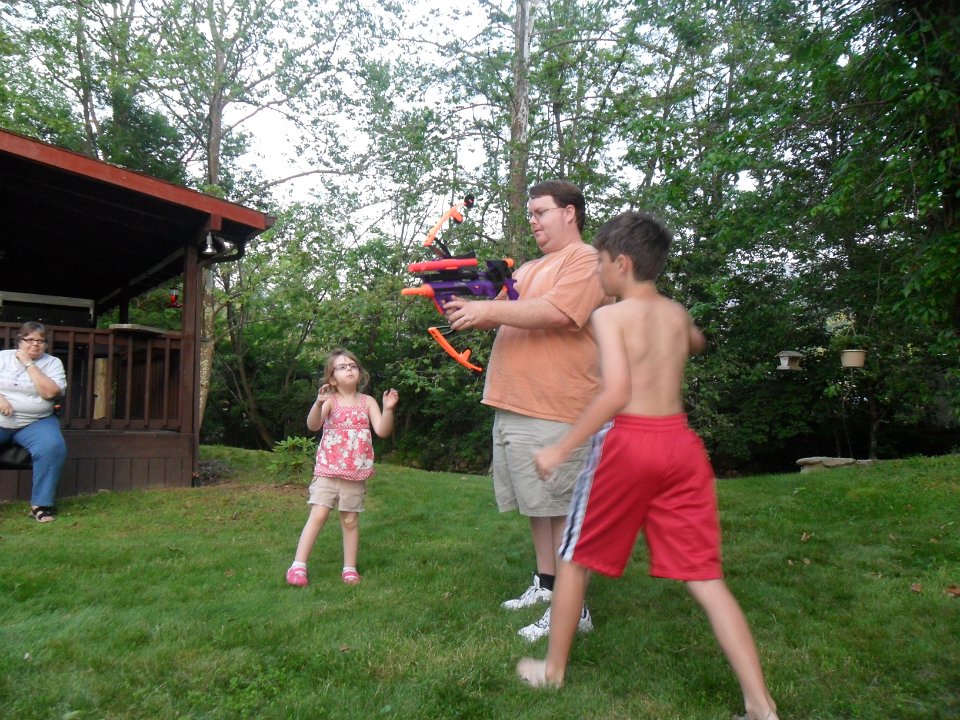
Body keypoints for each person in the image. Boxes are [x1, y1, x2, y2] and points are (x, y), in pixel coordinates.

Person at [515, 211, 779, 720]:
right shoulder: (675, 313)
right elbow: (696, 340)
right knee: (705, 576)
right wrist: (680, 339)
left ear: (623, 263)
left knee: (574, 558)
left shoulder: (610, 318)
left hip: (629, 446)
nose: (596, 271)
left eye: (599, 262)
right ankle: (760, 705)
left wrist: (561, 447)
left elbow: (617, 393)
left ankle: (552, 671)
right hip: (681, 447)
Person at [444, 180, 611, 640]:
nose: (533, 221)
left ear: (570, 213)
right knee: (538, 506)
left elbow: (560, 312)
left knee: (562, 508)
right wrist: (454, 297)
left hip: (559, 407)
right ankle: (547, 583)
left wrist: (486, 310)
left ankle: (573, 610)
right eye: (530, 214)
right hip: (515, 402)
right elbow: (494, 308)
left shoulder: (587, 260)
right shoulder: (531, 267)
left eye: (540, 212)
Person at [285, 349, 399, 587]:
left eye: (353, 365)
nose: (349, 369)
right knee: (318, 515)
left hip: (355, 474)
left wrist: (388, 409)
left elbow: (382, 430)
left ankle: (349, 569)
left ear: (360, 373)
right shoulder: (330, 400)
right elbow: (313, 425)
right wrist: (318, 403)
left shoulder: (368, 402)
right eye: (342, 366)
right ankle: (298, 566)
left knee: (350, 520)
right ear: (332, 378)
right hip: (327, 470)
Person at [0, 322, 68, 523]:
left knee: (52, 447)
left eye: (40, 340)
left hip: (36, 421)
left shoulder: (52, 363)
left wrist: (29, 364)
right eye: (29, 339)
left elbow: (50, 393)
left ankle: (41, 504)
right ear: (19, 341)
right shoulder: (3, 357)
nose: (35, 344)